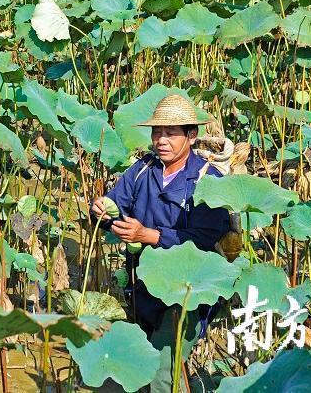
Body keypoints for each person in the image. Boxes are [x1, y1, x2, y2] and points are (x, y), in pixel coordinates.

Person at [90, 94, 230, 392]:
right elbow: (115, 206)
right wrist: (101, 209)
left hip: (189, 294)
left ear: (191, 136)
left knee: (160, 374)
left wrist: (148, 235)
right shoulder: (142, 170)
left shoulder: (209, 179)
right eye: (157, 132)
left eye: (170, 133)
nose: (161, 140)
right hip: (142, 287)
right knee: (124, 372)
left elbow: (203, 239)